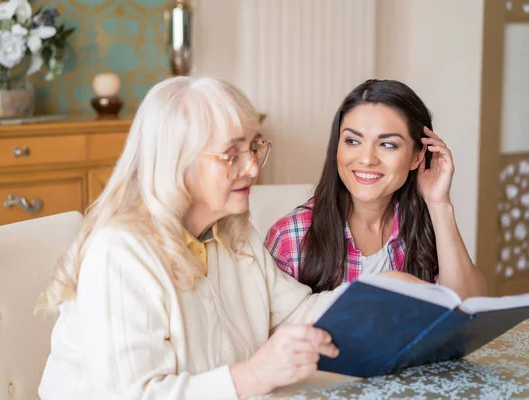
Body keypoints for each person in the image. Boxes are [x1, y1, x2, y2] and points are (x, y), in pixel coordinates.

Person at [38, 77, 344, 400]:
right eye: (232, 155)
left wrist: (381, 293)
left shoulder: (232, 232)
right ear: (178, 163)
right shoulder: (119, 252)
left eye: (254, 147)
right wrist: (254, 375)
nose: (253, 168)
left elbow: (297, 314)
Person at [265, 79, 486, 300]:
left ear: (417, 156)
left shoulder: (426, 225)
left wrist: (439, 203)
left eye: (387, 144)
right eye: (352, 141)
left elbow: (467, 308)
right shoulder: (291, 237)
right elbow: (271, 330)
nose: (367, 159)